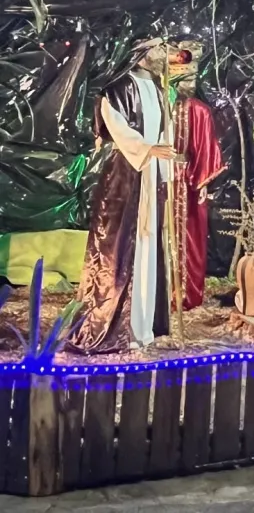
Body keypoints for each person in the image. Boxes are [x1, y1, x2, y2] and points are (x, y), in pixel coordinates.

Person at [71, 39, 176, 353]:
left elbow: (165, 132)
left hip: (151, 174)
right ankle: (118, 325)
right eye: (157, 50)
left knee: (148, 248)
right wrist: (147, 150)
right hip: (126, 176)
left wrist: (166, 166)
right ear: (141, 54)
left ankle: (144, 325)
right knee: (120, 247)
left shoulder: (160, 90)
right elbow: (115, 125)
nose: (162, 56)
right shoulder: (117, 88)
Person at [168, 43, 225, 311]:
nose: (189, 84)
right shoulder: (160, 106)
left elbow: (206, 147)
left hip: (187, 179)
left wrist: (202, 180)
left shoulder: (200, 111)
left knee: (188, 236)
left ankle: (186, 292)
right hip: (160, 176)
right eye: (184, 78)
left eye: (192, 78)